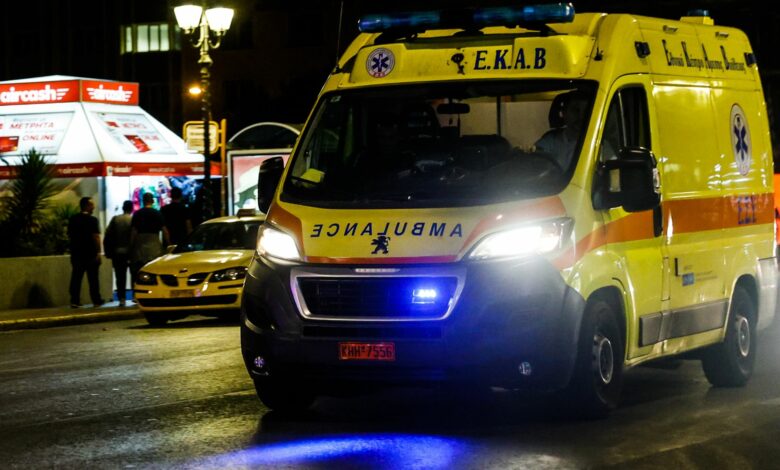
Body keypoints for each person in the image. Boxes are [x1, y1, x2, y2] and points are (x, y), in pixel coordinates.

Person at [535, 91, 589, 170]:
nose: (581, 117)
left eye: (586, 111)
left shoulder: (599, 144)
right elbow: (534, 160)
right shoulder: (551, 140)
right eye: (575, 110)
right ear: (564, 113)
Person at [68, 197, 103, 308]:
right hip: (90, 253)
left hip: (77, 253)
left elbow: (70, 235)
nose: (94, 207)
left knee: (76, 278)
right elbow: (96, 237)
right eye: (92, 205)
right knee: (93, 279)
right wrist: (99, 252)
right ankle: (96, 300)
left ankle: (75, 300)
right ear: (87, 206)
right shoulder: (93, 220)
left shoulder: (73, 219)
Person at [130, 192, 167, 283]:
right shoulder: (157, 213)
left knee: (139, 271)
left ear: (143, 201)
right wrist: (168, 244)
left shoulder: (137, 214)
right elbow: (165, 231)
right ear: (153, 201)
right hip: (154, 245)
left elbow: (134, 232)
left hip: (140, 246)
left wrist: (131, 245)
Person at [104, 200, 133, 306]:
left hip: (117, 252)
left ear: (123, 208)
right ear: (131, 208)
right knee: (134, 274)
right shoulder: (133, 220)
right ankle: (135, 297)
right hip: (131, 252)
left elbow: (108, 235)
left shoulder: (115, 219)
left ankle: (122, 298)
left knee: (120, 276)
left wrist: (108, 252)